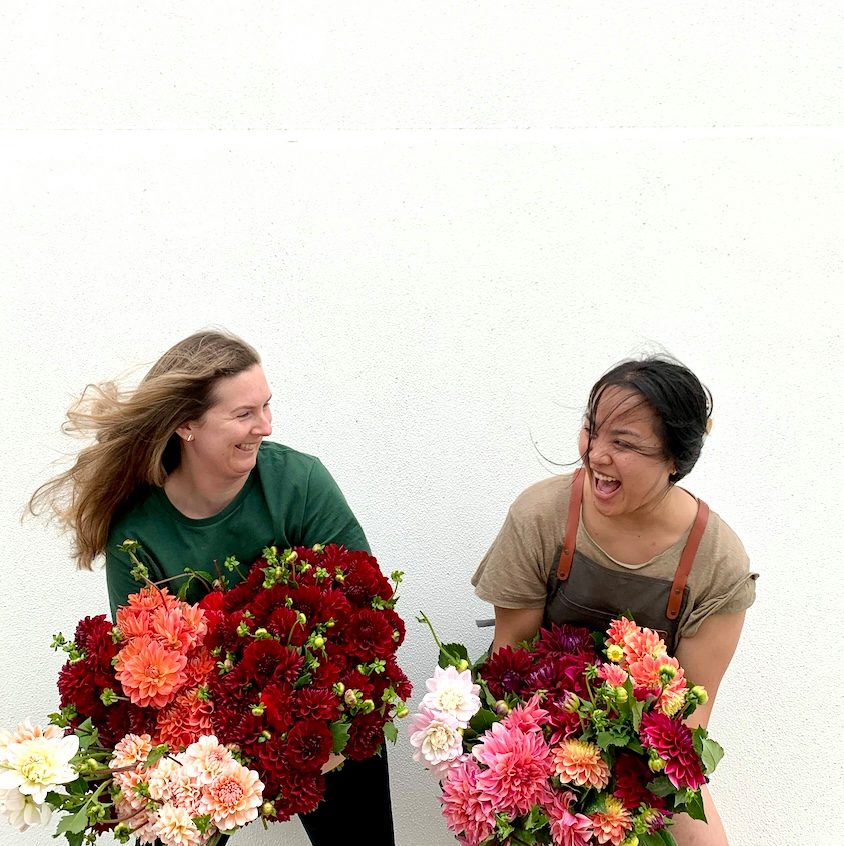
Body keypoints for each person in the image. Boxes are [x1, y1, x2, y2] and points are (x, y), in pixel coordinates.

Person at [30, 329, 396, 846]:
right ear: (186, 424)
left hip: (323, 717)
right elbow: (151, 670)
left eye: (266, 407)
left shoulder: (299, 483)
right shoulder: (137, 532)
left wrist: (331, 727)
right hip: (205, 731)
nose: (265, 427)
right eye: (244, 414)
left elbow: (366, 612)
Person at [471, 356, 757, 846]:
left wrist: (613, 795)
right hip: (532, 730)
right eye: (591, 429)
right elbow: (508, 661)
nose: (596, 454)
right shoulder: (543, 515)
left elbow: (687, 719)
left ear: (674, 460)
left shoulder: (717, 562)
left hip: (646, 756)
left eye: (623, 443)